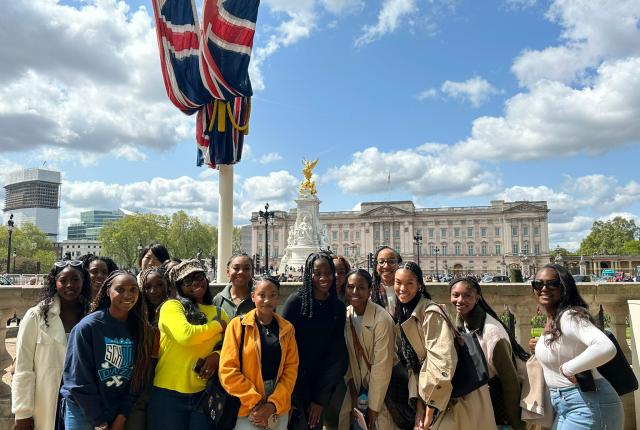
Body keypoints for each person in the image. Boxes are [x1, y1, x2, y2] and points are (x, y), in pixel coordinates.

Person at [395, 262, 495, 430]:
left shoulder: (430, 313)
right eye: (398, 282)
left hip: (455, 396)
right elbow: (415, 366)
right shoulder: (405, 312)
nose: (402, 288)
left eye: (409, 283)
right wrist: (420, 407)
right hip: (437, 394)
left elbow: (442, 362)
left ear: (419, 285)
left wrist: (429, 410)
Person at [529, 264, 622, 429]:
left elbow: (606, 347)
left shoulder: (569, 317)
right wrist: (540, 347)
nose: (544, 288)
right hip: (566, 404)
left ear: (564, 287)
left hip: (588, 404)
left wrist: (568, 369)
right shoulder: (554, 319)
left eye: (552, 283)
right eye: (538, 284)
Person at [60, 270, 152, 430]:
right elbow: (78, 379)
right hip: (83, 410)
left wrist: (122, 416)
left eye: (133, 289)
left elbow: (137, 378)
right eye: (120, 289)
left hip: (116, 410)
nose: (128, 295)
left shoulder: (140, 329)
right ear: (108, 291)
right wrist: (99, 422)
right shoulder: (88, 327)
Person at [149, 259, 229, 430]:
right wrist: (217, 326)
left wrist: (217, 355)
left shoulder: (219, 312)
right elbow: (186, 336)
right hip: (169, 395)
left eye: (199, 276)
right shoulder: (171, 306)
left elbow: (231, 346)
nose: (195, 282)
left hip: (204, 393)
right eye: (187, 280)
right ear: (178, 287)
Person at [12, 260, 91, 430]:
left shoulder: (93, 315)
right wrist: (22, 412)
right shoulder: (36, 316)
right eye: (63, 280)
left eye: (75, 279)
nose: (70, 285)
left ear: (83, 281)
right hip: (46, 401)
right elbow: (23, 367)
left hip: (82, 403)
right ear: (55, 282)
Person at [219, 276, 299, 430]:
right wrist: (256, 402)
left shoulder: (287, 329)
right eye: (262, 295)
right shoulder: (237, 326)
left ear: (278, 297)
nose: (267, 301)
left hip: (277, 405)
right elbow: (227, 370)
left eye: (272, 295)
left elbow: (291, 370)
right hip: (246, 404)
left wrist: (272, 404)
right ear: (253, 296)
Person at [449, 276, 528, 429]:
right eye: (455, 295)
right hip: (478, 400)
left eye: (467, 296)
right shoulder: (463, 324)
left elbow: (510, 383)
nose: (460, 300)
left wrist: (517, 423)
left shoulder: (492, 334)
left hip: (497, 406)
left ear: (477, 297)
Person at [282, 252, 348, 430]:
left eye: (328, 273)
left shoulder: (338, 307)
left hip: (321, 384)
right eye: (317, 273)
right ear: (308, 274)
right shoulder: (295, 302)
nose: (324, 278)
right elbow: (284, 347)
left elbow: (336, 353)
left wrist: (320, 398)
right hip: (294, 382)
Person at [339, 269, 397, 430]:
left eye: (361, 287)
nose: (354, 292)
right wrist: (353, 393)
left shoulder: (382, 319)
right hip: (357, 390)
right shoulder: (346, 315)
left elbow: (381, 366)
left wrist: (374, 407)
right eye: (350, 287)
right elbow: (347, 358)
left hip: (380, 390)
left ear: (370, 290)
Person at [324, 255, 351, 430]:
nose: (337, 276)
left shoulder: (354, 297)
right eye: (333, 272)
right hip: (326, 367)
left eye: (341, 272)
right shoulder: (320, 297)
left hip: (349, 366)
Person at [213, 253, 255, 319]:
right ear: (228, 272)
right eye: (236, 268)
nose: (241, 272)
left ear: (252, 273)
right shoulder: (218, 300)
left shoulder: (258, 299)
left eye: (246, 268)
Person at [370, 246, 402, 318]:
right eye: (381, 262)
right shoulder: (369, 293)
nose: (386, 266)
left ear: (398, 265)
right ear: (376, 266)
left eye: (391, 261)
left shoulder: (407, 291)